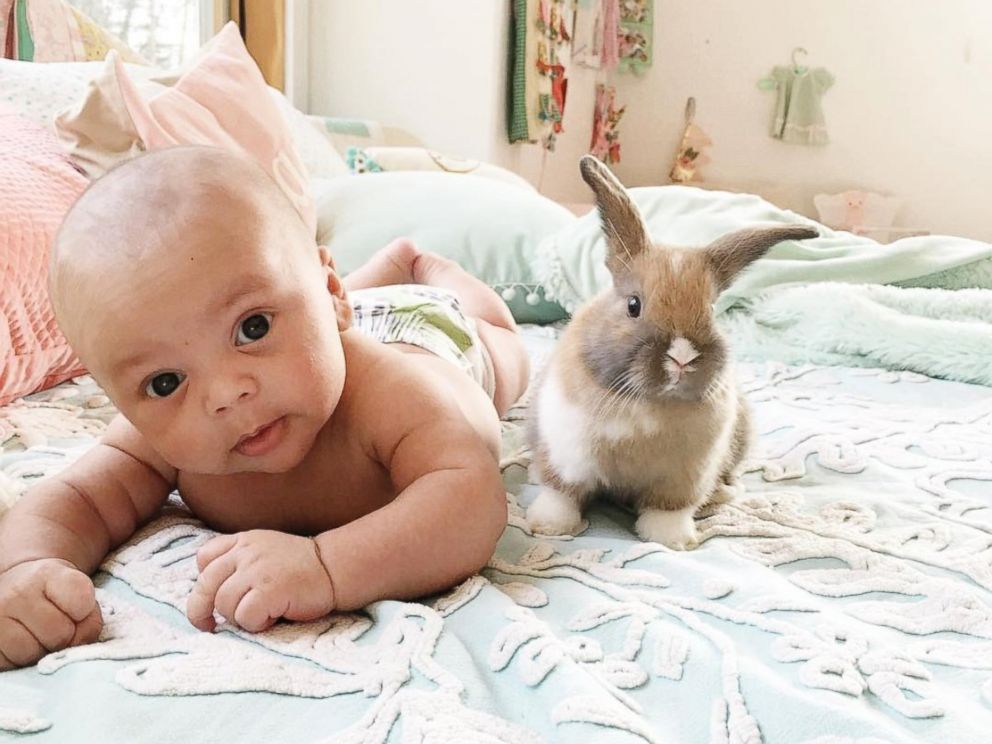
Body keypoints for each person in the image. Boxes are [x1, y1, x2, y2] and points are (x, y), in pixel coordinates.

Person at [0, 146, 530, 670]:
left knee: (503, 351)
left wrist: (324, 566)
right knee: (301, 320)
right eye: (165, 382)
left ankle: (418, 267)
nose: (225, 394)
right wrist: (28, 567)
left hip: (428, 337)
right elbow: (77, 498)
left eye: (252, 327)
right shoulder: (163, 436)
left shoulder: (393, 396)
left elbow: (471, 498)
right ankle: (355, 284)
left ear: (328, 292)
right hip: (323, 319)